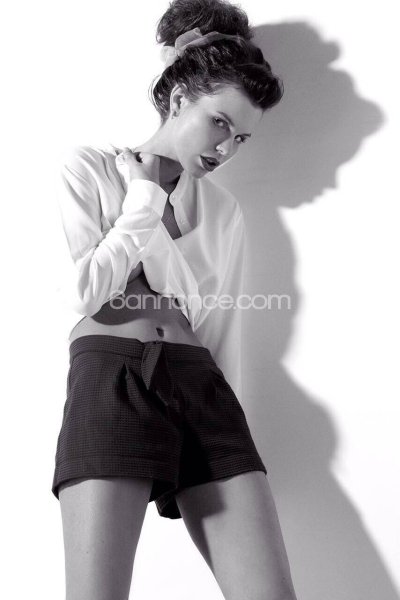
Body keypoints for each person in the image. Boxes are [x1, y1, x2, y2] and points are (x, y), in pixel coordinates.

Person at [51, 0, 298, 598]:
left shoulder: (222, 210)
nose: (227, 149)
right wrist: (142, 201)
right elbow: (85, 291)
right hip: (114, 375)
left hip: (202, 387)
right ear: (180, 95)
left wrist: (228, 415)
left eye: (241, 138)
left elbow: (221, 327)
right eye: (219, 124)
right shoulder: (92, 169)